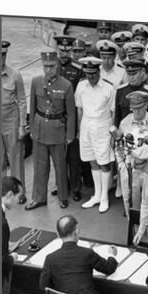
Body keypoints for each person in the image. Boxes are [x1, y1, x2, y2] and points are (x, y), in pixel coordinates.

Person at [39, 215, 118, 294]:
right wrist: (111, 255)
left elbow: (43, 286)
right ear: (76, 231)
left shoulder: (50, 259)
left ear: (58, 234)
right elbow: (109, 268)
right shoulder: (87, 253)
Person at [26, 51, 76, 210]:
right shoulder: (36, 82)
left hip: (57, 130)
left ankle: (62, 196)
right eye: (45, 66)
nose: (48, 70)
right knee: (39, 167)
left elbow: (71, 113)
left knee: (60, 166)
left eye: (52, 66)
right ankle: (39, 198)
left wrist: (70, 135)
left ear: (57, 66)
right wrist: (32, 129)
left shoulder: (66, 85)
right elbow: (32, 107)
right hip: (40, 129)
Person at [75, 57, 116, 213]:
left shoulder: (108, 88)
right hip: (86, 125)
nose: (90, 77)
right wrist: (80, 130)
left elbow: (113, 112)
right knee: (92, 161)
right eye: (87, 73)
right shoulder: (81, 86)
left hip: (102, 126)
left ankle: (104, 196)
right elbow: (79, 109)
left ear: (98, 71)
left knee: (104, 162)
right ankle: (97, 195)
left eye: (93, 73)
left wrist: (112, 133)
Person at [52, 35, 85, 202]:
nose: (64, 53)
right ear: (57, 49)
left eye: (68, 50)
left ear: (71, 50)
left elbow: (81, 96)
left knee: (74, 157)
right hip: (56, 118)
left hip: (71, 117)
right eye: (61, 50)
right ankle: (61, 185)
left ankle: (75, 187)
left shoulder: (78, 69)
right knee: (58, 156)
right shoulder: (51, 67)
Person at [0, 41, 27, 204]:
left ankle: (19, 193)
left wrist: (22, 125)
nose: (1, 58)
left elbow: (22, 100)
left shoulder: (15, 75)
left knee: (16, 158)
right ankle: (2, 193)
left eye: (4, 54)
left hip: (11, 119)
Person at [1, 176, 23, 294]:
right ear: (9, 195)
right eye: (18, 196)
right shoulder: (1, 222)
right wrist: (11, 257)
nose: (18, 201)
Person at [115, 59, 148, 124]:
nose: (131, 77)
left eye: (134, 74)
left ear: (142, 72)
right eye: (129, 74)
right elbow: (117, 117)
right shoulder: (121, 91)